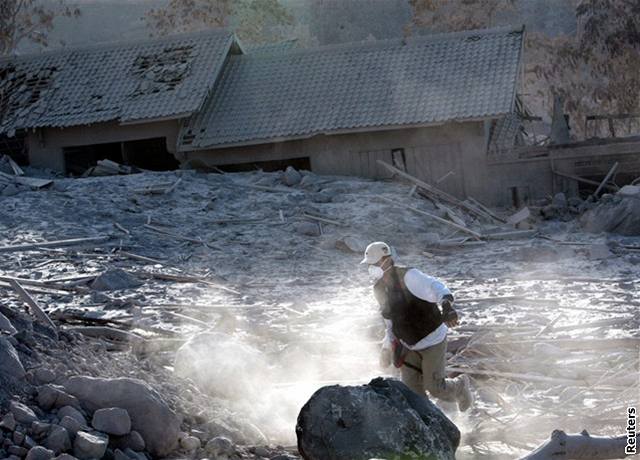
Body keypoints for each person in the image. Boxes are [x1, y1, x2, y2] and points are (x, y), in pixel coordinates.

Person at [361, 241, 472, 411]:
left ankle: (460, 387)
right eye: (370, 265)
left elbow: (436, 286)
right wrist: (386, 348)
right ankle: (429, 425)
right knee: (413, 396)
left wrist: (447, 305)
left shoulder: (409, 276)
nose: (372, 268)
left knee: (435, 388)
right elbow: (389, 322)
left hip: (432, 339)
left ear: (387, 260)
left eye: (374, 264)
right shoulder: (379, 289)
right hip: (408, 345)